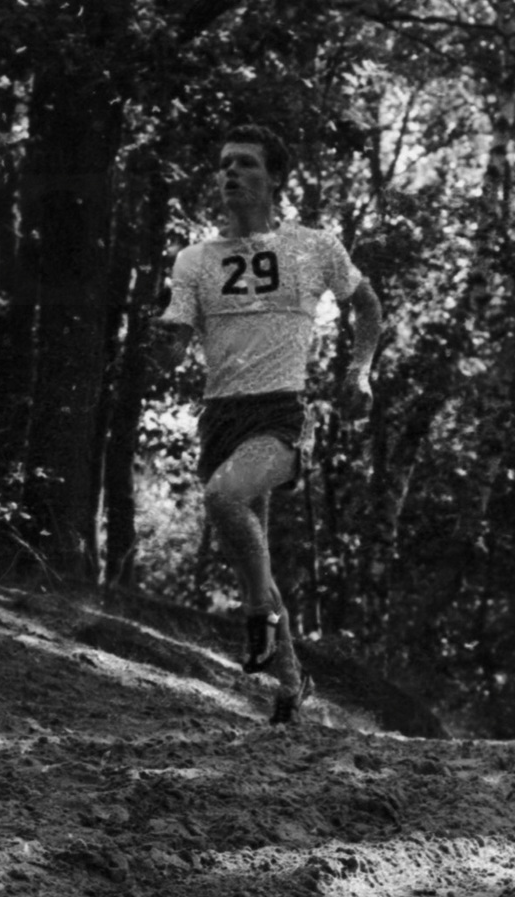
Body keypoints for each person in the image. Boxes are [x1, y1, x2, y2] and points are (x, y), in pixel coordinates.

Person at [149, 123, 383, 724]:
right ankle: (290, 687)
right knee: (252, 552)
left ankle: (256, 613)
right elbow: (173, 345)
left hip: (282, 413)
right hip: (220, 418)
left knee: (224, 498)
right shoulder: (194, 260)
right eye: (224, 162)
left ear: (274, 177)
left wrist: (359, 371)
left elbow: (367, 306)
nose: (230, 171)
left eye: (246, 163)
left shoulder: (313, 247)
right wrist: (161, 342)